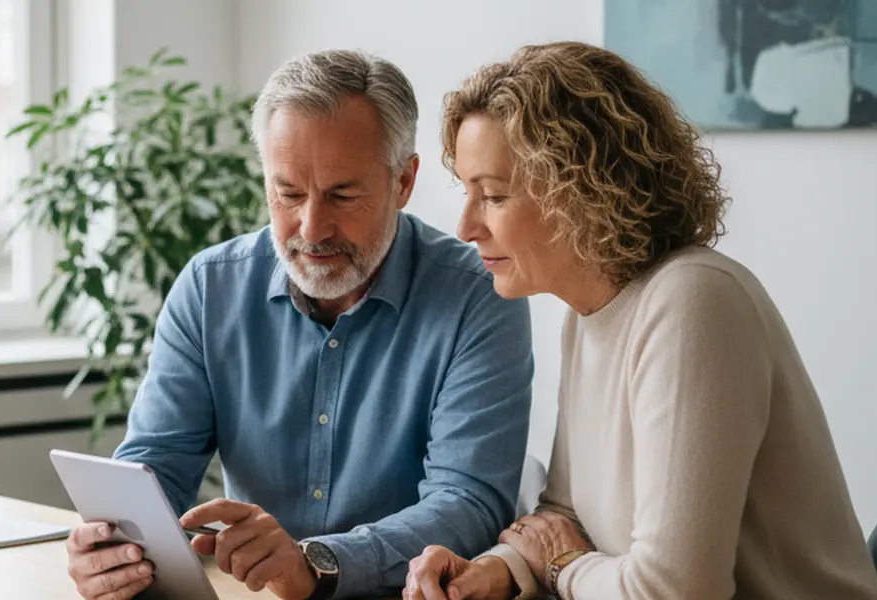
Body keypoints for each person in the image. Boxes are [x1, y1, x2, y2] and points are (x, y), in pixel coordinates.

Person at [404, 41, 877, 600]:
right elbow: (564, 513)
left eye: (491, 195)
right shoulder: (588, 314)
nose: (466, 227)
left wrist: (563, 565)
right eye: (467, 193)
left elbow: (673, 591)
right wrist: (498, 569)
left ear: (579, 191)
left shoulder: (693, 304)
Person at [64, 49, 537, 600]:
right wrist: (113, 545)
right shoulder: (208, 287)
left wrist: (320, 563)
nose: (312, 228)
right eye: (288, 193)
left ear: (404, 181)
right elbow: (154, 468)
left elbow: (468, 503)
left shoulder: (478, 292)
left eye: (342, 195)